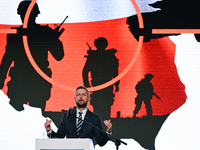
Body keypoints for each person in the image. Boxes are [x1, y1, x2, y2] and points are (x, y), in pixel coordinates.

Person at [0, 1, 64, 112]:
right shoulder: (44, 33)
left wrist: (54, 39)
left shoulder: (15, 34)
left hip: (26, 82)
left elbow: (7, 59)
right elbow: (59, 56)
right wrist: (53, 38)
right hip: (31, 82)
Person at [44, 86, 112, 147]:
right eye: (78, 95)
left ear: (88, 98)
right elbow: (59, 137)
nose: (81, 97)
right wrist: (49, 130)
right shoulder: (67, 116)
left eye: (83, 95)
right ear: (75, 98)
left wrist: (108, 131)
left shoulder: (94, 118)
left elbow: (100, 142)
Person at [82, 37, 119, 121]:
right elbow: (115, 72)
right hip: (104, 84)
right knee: (104, 105)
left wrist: (87, 83)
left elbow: (85, 71)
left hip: (99, 84)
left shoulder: (93, 56)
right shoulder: (109, 56)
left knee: (99, 105)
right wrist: (117, 84)